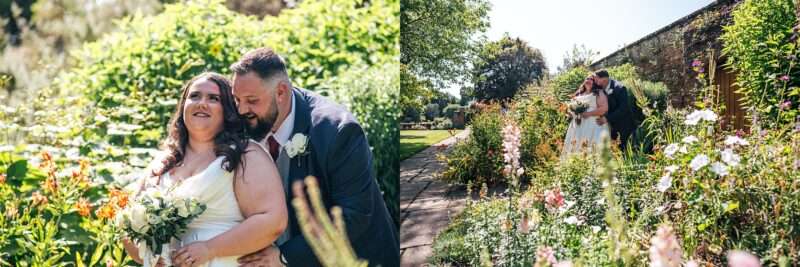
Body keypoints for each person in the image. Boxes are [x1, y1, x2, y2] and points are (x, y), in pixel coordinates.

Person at [229, 48, 400, 267]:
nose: (241, 109)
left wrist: (284, 256)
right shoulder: (243, 119)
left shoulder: (337, 131)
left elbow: (354, 214)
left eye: (252, 100)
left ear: (281, 92)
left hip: (350, 258)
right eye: (237, 99)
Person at [122, 72, 288, 267]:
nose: (202, 103)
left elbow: (272, 221)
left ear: (227, 110)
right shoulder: (163, 162)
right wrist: (152, 257)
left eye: (213, 98)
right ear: (183, 106)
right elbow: (128, 225)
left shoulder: (245, 154)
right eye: (194, 96)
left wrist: (210, 249)